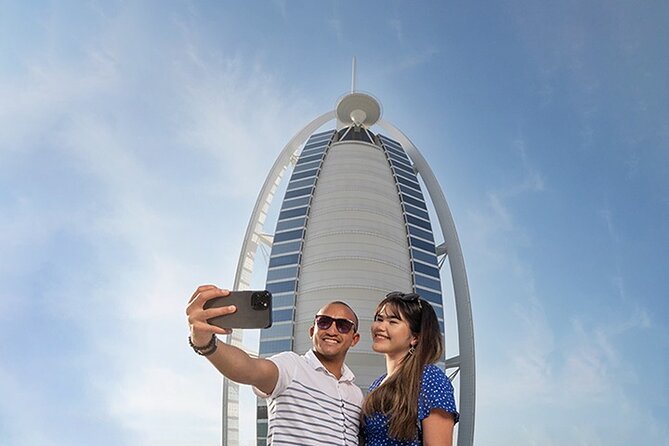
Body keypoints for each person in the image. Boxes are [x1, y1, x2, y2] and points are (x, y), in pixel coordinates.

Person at [186, 285, 363, 445]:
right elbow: (248, 369)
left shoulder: (356, 394)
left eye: (343, 326)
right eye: (324, 322)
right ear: (312, 331)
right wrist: (204, 342)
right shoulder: (291, 366)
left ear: (354, 339)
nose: (332, 330)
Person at [361, 291, 459, 446]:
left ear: (415, 337)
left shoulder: (429, 378)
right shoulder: (377, 384)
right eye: (379, 319)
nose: (380, 327)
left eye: (393, 322)